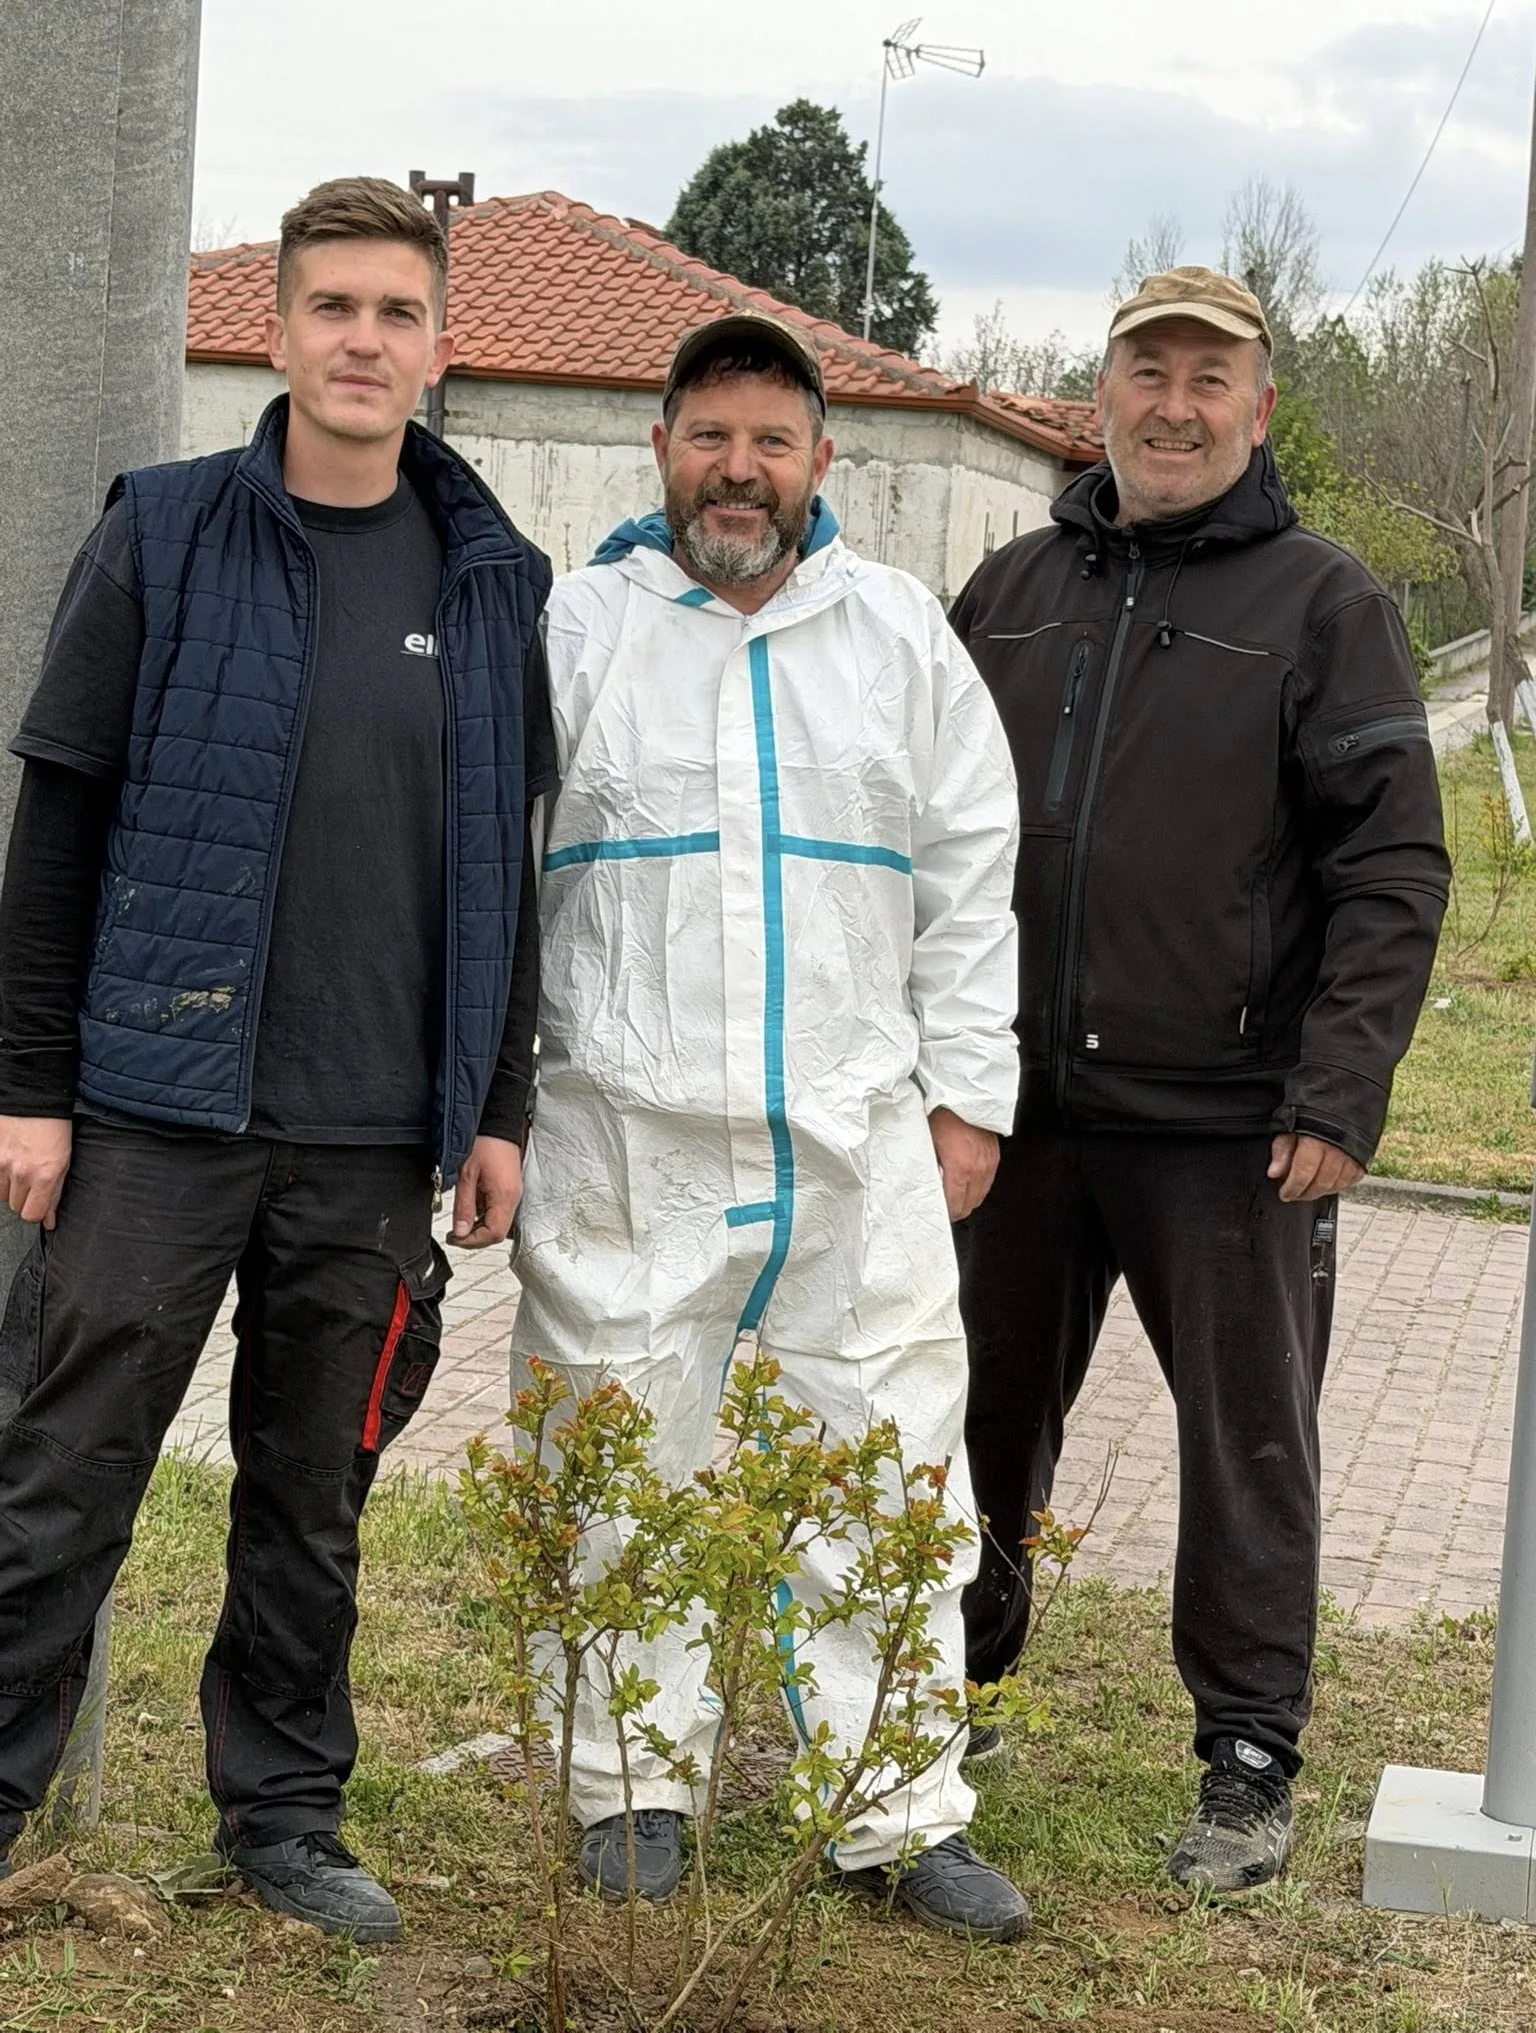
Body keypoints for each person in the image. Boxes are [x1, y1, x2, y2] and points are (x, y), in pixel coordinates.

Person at [0, 176, 554, 1941]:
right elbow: (58, 826)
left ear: (440, 347)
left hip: (378, 1133)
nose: (363, 341)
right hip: (152, 1111)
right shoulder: (163, 533)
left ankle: (285, 1817)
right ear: (277, 330)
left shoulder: (494, 580)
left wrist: (498, 1107)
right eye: (334, 308)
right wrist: (28, 1089)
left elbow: (505, 866)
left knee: (315, 1501)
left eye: (397, 314)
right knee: (59, 1473)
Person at [511, 312, 1030, 1941]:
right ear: (659, 447)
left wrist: (969, 1097)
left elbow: (972, 874)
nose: (739, 471)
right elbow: (489, 878)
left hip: (856, 1137)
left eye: (772, 442)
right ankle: (629, 1789)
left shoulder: (897, 636)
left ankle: (895, 1808)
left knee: (889, 1463)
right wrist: (495, 1103)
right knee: (614, 1451)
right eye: (710, 437)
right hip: (623, 1137)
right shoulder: (572, 632)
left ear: (822, 460)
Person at [951, 268, 1450, 1892]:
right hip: (1012, 1112)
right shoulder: (1011, 587)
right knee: (969, 1416)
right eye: (1148, 372)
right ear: (1101, 392)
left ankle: (1247, 1757)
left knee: (1246, 1448)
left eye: (1208, 379)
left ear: (1259, 407)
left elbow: (1394, 866)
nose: (1175, 406)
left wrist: (1340, 1090)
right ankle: (947, 1693)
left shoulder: (1325, 603)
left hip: (1230, 1128)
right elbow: (923, 831)